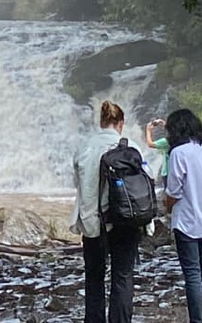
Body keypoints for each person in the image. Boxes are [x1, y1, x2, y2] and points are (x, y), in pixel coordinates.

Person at [71, 100, 144, 323]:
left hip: (94, 221)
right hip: (126, 220)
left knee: (94, 277)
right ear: (120, 123)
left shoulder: (85, 147)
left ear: (101, 122)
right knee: (122, 276)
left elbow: (78, 184)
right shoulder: (132, 146)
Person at [163, 108, 202, 323]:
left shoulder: (178, 153)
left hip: (186, 221)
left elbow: (173, 191)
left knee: (192, 275)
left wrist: (167, 207)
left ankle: (196, 320)